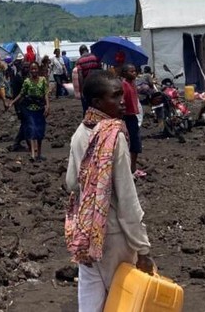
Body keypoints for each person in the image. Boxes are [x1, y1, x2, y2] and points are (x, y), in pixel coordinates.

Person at [65, 72, 154, 311]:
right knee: (122, 302)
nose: (123, 101)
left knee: (91, 304)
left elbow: (71, 183)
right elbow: (127, 198)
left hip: (86, 234)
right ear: (97, 102)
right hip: (114, 236)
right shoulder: (115, 137)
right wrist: (143, 248)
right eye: (115, 96)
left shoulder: (79, 134)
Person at [9, 61, 50, 161]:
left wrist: (48, 106)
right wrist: (12, 102)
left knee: (40, 131)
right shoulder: (27, 81)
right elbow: (21, 94)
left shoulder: (43, 80)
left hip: (40, 108)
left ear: (38, 69)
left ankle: (39, 154)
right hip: (30, 108)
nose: (34, 70)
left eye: (35, 68)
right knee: (32, 130)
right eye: (32, 69)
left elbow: (45, 94)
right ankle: (32, 154)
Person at [121, 64, 144, 177]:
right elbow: (122, 101)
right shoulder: (124, 85)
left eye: (135, 71)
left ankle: (132, 169)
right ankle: (131, 170)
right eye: (131, 71)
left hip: (133, 115)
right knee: (133, 143)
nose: (134, 73)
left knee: (135, 144)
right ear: (125, 74)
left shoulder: (132, 84)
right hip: (127, 117)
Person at [8, 57, 28, 151]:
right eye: (25, 67)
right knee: (25, 123)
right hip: (20, 104)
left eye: (28, 67)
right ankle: (18, 142)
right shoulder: (18, 78)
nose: (26, 69)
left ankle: (18, 142)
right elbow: (16, 94)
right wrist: (17, 107)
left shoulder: (27, 78)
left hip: (27, 104)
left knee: (25, 123)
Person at [76, 45, 102, 115]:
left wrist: (81, 90)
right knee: (96, 104)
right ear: (87, 50)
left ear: (80, 52)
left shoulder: (79, 61)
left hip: (87, 85)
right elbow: (100, 69)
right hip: (96, 84)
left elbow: (80, 75)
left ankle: (87, 120)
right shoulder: (95, 57)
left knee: (86, 107)